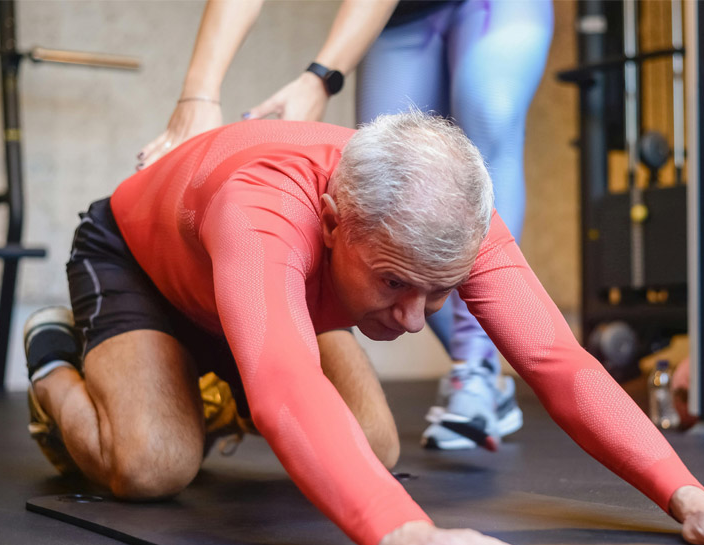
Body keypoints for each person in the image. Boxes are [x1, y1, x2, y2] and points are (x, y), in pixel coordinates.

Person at [26, 112, 704, 545]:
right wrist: (401, 531)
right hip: (145, 267)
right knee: (155, 463)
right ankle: (57, 360)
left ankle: (193, 383)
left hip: (282, 295)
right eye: (394, 283)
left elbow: (560, 361)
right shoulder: (263, 208)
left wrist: (688, 497)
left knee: (371, 445)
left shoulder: (453, 217)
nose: (409, 321)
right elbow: (283, 381)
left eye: (437, 294)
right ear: (335, 223)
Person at [136, 0, 552, 452]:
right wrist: (200, 96)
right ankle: (477, 364)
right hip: (404, 18)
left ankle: (475, 370)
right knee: (393, 203)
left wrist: (321, 76)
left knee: (489, 107)